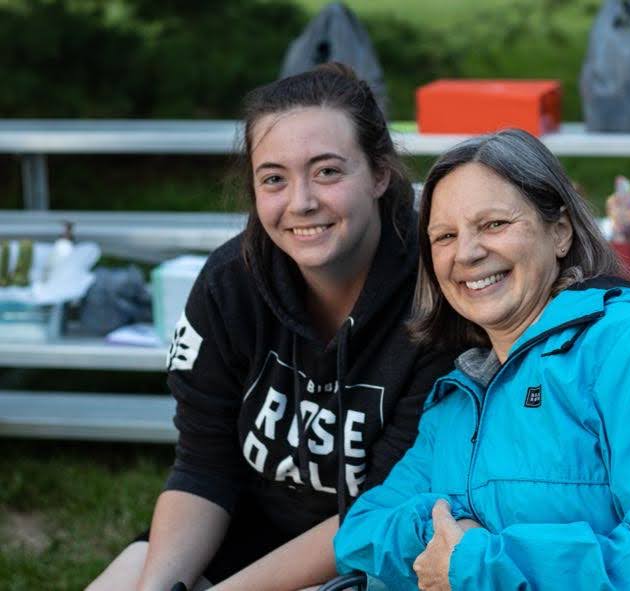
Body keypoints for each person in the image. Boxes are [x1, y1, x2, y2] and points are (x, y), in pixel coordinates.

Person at [333, 129, 630, 590]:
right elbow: (360, 532)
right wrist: (439, 531)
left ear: (560, 232)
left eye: (494, 224)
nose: (468, 253)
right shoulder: (462, 394)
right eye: (445, 236)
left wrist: (478, 563)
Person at [88, 63, 456, 591]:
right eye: (274, 179)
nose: (301, 201)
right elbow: (202, 468)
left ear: (380, 173)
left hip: (380, 552)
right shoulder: (228, 285)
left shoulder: (436, 296)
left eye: (328, 171)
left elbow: (382, 507)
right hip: (249, 532)